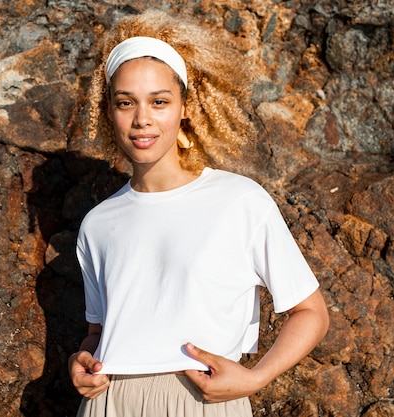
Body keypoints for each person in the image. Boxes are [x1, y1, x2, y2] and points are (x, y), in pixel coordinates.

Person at [68, 10, 330, 417]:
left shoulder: (240, 200)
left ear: (185, 106)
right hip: (109, 404)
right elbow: (99, 332)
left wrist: (256, 377)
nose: (142, 119)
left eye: (159, 101)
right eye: (125, 103)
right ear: (108, 112)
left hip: (201, 401)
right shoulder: (98, 224)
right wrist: (82, 362)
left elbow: (311, 312)